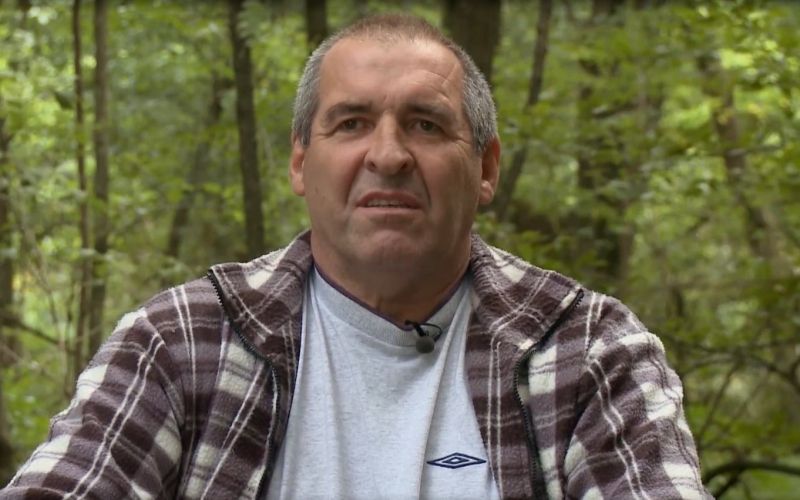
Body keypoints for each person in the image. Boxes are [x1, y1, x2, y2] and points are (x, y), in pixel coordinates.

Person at [2, 13, 710, 500]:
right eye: (352, 123)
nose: (389, 155)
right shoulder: (183, 342)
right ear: (301, 163)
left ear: (486, 168)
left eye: (425, 124)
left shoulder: (589, 351)